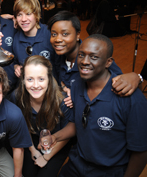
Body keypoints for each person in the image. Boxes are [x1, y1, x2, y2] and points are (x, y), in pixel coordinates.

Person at [48, 34, 147, 177]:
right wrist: (55, 137)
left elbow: (141, 150)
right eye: (81, 55)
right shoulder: (76, 84)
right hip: (77, 164)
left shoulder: (130, 98)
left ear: (108, 62)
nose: (84, 61)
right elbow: (79, 122)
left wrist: (138, 77)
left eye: (94, 57)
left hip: (109, 171)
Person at [47, 10, 142, 96]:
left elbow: (123, 81)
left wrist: (136, 78)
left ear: (78, 35)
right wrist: (63, 87)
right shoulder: (57, 56)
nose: (58, 39)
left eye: (65, 34)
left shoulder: (94, 56)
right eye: (54, 34)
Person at [13, 55, 72, 177]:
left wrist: (46, 157)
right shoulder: (17, 97)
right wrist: (32, 150)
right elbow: (22, 126)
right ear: (23, 80)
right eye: (30, 79)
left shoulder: (63, 101)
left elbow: (67, 134)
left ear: (49, 79)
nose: (35, 85)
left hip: (58, 144)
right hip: (31, 141)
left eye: (41, 79)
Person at [12, 0, 55, 79]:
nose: (23, 19)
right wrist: (16, 67)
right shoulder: (16, 38)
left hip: (50, 86)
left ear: (36, 14)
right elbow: (15, 61)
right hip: (27, 86)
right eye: (19, 14)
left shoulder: (49, 33)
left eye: (28, 14)